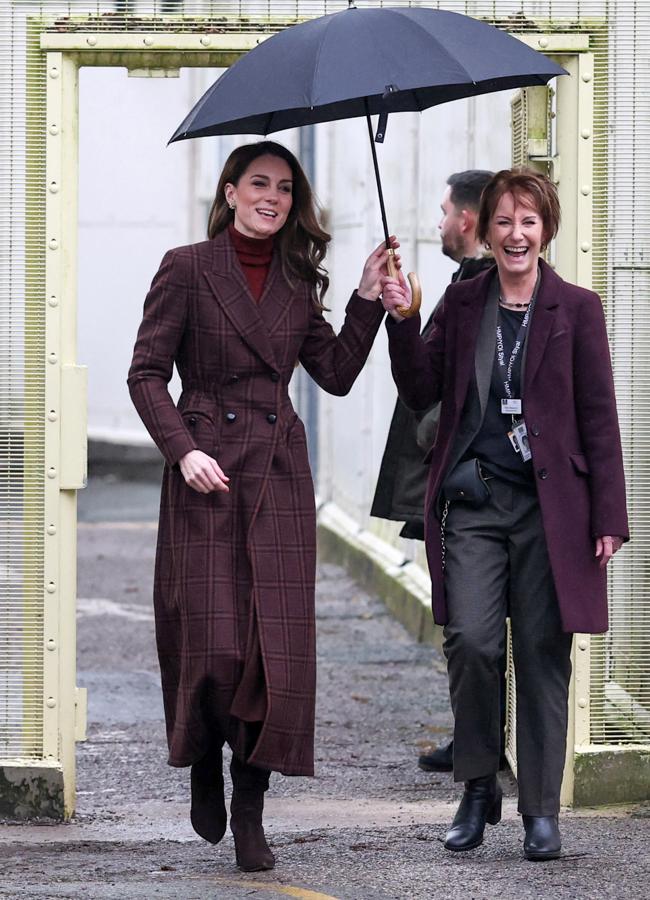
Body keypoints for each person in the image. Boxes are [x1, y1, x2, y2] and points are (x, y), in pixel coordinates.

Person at [127, 140, 393, 872]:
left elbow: (334, 373)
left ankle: (251, 809)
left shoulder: (296, 280)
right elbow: (147, 373)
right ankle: (206, 760)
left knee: (269, 655)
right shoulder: (187, 267)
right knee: (214, 645)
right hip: (205, 472)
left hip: (277, 474)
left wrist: (368, 296)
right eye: (260, 184)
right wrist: (183, 450)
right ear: (232, 190)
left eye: (284, 188)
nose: (272, 197)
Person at [380, 167, 628, 861]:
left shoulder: (577, 308)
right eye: (504, 222)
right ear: (485, 231)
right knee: (474, 642)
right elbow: (422, 387)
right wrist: (401, 320)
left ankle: (541, 812)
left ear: (545, 228)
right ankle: (478, 784)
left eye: (529, 221)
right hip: (477, 501)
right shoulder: (462, 304)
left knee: (545, 655)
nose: (516, 235)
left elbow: (598, 418)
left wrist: (608, 513)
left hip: (554, 508)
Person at [371, 170, 498, 773]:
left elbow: (441, 394)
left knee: (468, 618)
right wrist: (404, 315)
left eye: (445, 211)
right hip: (451, 476)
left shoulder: (486, 290)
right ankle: (475, 735)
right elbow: (423, 379)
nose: (439, 221)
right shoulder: (460, 287)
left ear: (466, 220)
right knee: (466, 618)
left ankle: (481, 741)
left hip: (469, 480)